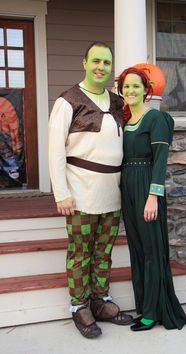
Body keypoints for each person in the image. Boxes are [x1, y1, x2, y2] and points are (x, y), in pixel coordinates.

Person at [48, 41, 133, 339]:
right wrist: (61, 193)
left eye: (106, 63)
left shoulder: (117, 102)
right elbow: (55, 150)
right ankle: (79, 305)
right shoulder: (68, 101)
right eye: (95, 60)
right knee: (80, 252)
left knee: (103, 251)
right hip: (81, 190)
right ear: (84, 62)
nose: (101, 67)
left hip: (112, 191)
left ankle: (100, 300)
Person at [117, 66, 186, 332]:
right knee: (137, 250)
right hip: (128, 186)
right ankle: (144, 306)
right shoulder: (124, 121)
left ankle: (153, 312)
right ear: (121, 91)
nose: (131, 91)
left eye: (136, 86)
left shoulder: (155, 119)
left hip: (147, 184)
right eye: (126, 87)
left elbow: (160, 162)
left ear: (146, 90)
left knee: (151, 251)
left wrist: (153, 197)